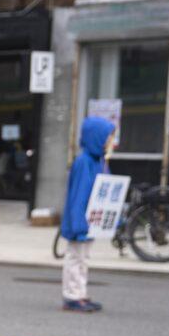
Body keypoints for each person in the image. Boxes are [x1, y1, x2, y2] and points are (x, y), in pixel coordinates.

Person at [59, 115, 115, 312]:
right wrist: (78, 223)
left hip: (89, 220)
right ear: (97, 138)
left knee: (83, 258)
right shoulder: (85, 162)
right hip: (80, 221)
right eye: (108, 137)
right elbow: (78, 196)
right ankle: (72, 296)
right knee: (76, 257)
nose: (111, 141)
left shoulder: (97, 161)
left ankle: (80, 293)